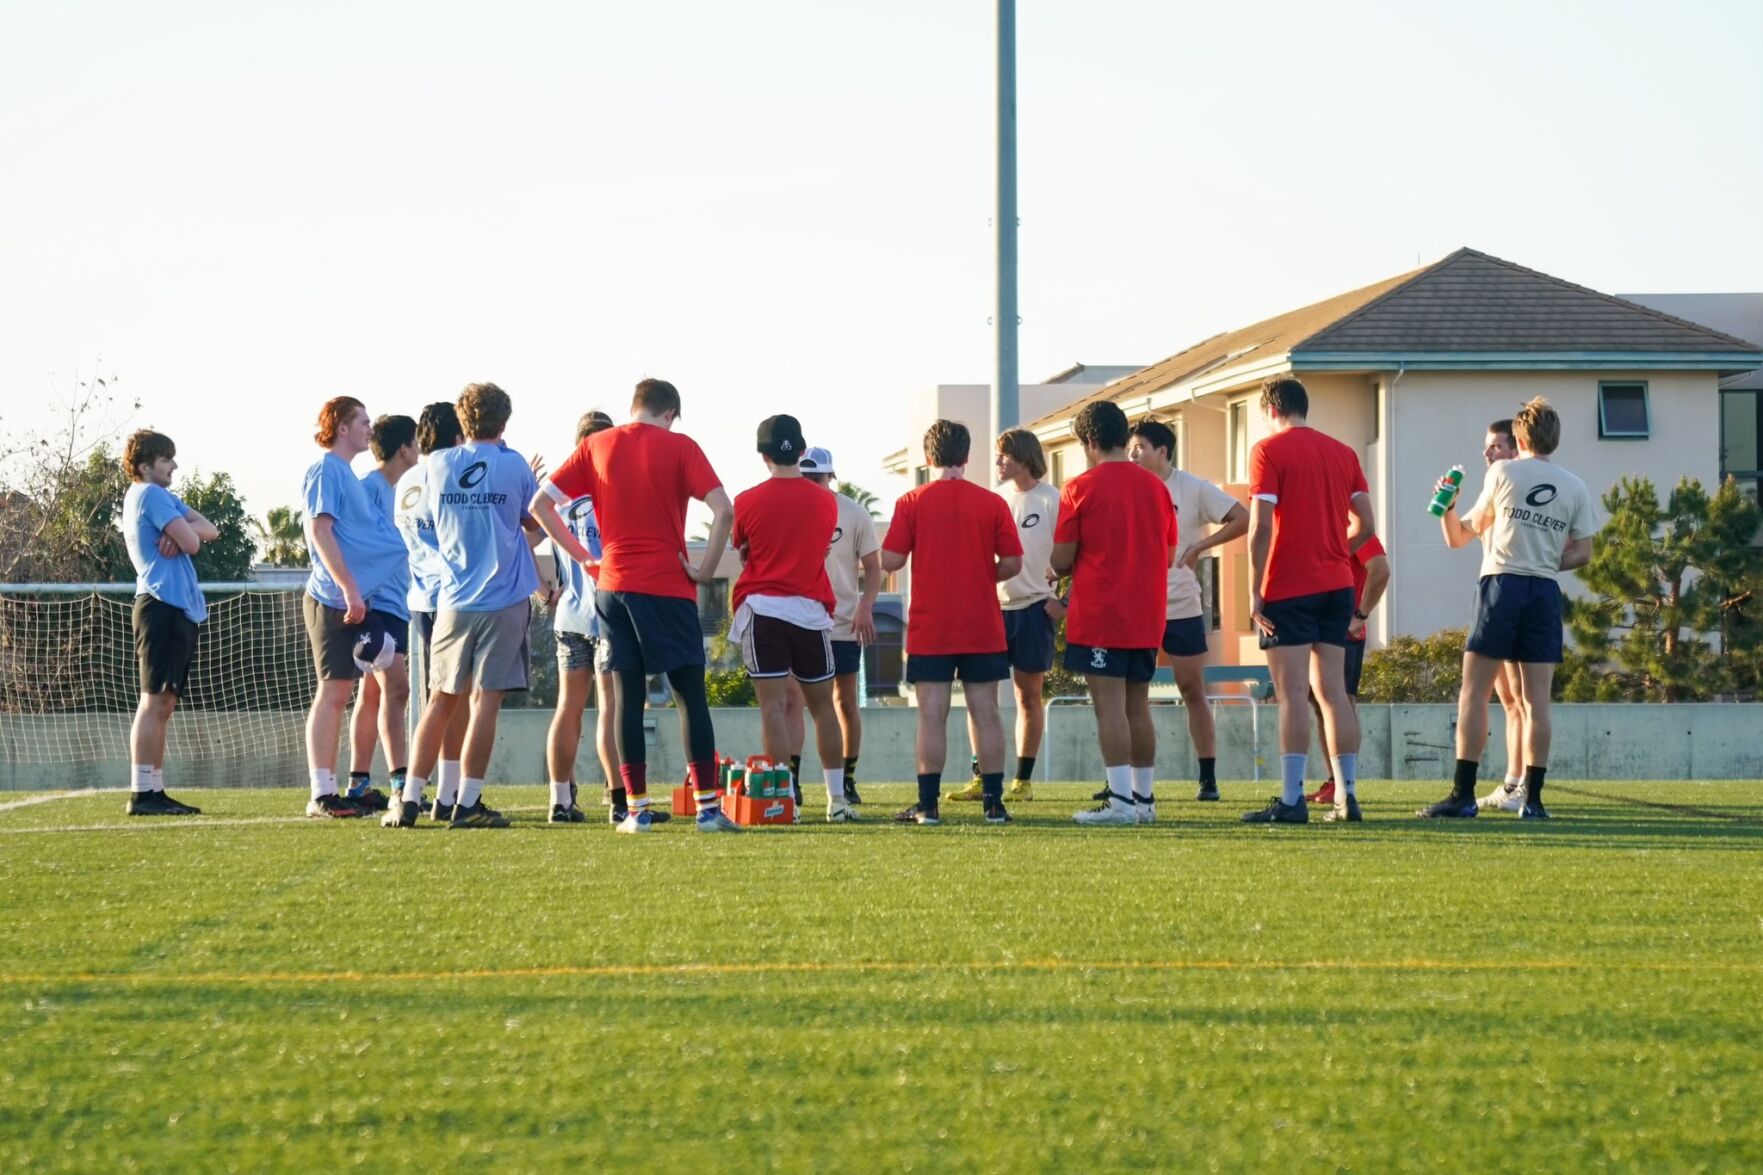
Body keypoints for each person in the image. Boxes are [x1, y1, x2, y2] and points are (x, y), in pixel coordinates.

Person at [531, 378, 738, 834]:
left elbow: (540, 505)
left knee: (626, 699)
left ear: (634, 407)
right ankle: (707, 810)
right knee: (689, 697)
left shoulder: (597, 445)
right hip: (668, 584)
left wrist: (584, 557)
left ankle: (636, 812)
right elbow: (725, 510)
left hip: (613, 586)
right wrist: (704, 569)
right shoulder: (681, 446)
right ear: (670, 414)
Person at [1424, 397, 1599, 820]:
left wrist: (1447, 506)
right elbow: (1584, 554)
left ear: (1519, 437)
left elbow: (1462, 535)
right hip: (1543, 592)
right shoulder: (1575, 484)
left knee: (1474, 692)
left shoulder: (1502, 472)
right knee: (1537, 703)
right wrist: (1541, 559)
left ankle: (1462, 795)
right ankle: (1533, 801)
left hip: (1501, 586)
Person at [388, 383, 541, 829]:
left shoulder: (435, 465)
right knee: (485, 702)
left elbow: (431, 523)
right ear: (505, 421)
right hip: (504, 599)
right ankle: (467, 801)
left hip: (453, 599)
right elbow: (533, 521)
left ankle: (410, 798)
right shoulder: (513, 466)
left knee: (439, 700)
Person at [1241, 376, 1376, 825]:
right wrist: (1335, 546)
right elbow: (1367, 525)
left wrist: (1253, 589)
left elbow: (1259, 527)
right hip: (1338, 584)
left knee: (1293, 695)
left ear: (1270, 410)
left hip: (1289, 585)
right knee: (1334, 694)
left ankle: (1291, 797)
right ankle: (1348, 794)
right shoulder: (1342, 452)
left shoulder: (1268, 450)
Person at [881, 420, 1023, 826]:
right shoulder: (992, 503)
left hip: (932, 626)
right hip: (982, 623)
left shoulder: (912, 501)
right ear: (967, 456)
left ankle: (928, 807)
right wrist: (983, 575)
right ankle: (994, 804)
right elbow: (1012, 563)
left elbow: (891, 560)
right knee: (987, 712)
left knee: (931, 712)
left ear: (928, 457)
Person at [1052, 402, 1177, 827]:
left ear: (1089, 441)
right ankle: (1143, 802)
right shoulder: (1158, 488)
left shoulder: (1079, 487)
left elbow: (1063, 557)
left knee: (1108, 706)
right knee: (1138, 705)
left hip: (1103, 612)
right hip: (1147, 610)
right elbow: (1168, 552)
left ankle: (1121, 803)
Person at [541, 410, 662, 826]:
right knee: (611, 709)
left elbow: (524, 538)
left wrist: (544, 589)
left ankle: (560, 799)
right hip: (606, 615)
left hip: (569, 617)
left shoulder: (558, 500)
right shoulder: (613, 493)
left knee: (567, 709)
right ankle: (619, 800)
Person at [730, 416, 852, 821]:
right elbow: (817, 548)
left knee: (774, 709)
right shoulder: (826, 500)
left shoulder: (746, 500)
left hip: (763, 608)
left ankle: (784, 801)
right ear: (801, 451)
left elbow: (744, 549)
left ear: (763, 454)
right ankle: (837, 800)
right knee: (823, 709)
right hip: (810, 611)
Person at [1125, 417, 1247, 802]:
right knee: (1132, 696)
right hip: (1135, 607)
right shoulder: (1126, 487)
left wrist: (1197, 549)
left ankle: (1208, 778)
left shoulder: (1192, 487)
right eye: (1130, 447)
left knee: (1193, 689)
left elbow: (1241, 518)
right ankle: (1127, 783)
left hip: (1181, 606)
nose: (1132, 454)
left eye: (1140, 447)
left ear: (1162, 451)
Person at [300, 396, 411, 819]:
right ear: (341, 427)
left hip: (352, 600)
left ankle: (345, 789)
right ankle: (321, 794)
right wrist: (349, 589)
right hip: (331, 598)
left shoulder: (345, 474)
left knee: (345, 691)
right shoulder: (326, 468)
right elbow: (320, 530)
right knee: (332, 693)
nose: (369, 428)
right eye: (362, 421)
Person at [947, 428, 1063, 804]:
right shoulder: (993, 500)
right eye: (996, 455)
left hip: (1034, 609)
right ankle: (981, 777)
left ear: (1024, 456)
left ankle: (1022, 782)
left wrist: (1063, 602)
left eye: (1003, 456)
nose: (997, 463)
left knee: (1028, 696)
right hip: (992, 610)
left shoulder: (1051, 500)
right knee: (980, 697)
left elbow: (1079, 554)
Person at [120, 429, 218, 817]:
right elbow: (197, 542)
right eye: (166, 460)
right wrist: (183, 535)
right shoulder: (151, 494)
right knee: (154, 699)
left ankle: (154, 788)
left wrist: (179, 534)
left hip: (171, 607)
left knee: (164, 701)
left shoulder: (160, 498)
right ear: (146, 465)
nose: (174, 465)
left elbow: (209, 529)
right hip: (161, 605)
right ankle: (142, 792)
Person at [782, 446, 880, 804]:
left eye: (818, 477)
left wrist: (866, 607)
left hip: (842, 623)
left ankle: (847, 779)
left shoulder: (854, 513)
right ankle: (791, 781)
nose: (811, 483)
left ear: (830, 477)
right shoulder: (790, 509)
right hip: (799, 618)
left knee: (845, 702)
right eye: (805, 476)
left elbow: (873, 566)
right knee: (793, 699)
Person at [393, 402, 473, 820]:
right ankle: (424, 794)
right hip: (453, 599)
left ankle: (446, 794)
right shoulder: (449, 476)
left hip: (423, 599)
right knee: (447, 701)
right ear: (458, 437)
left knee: (447, 699)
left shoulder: (407, 480)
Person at [345, 414, 418, 810]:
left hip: (398, 606)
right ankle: (402, 783)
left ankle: (358, 784)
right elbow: (351, 544)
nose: (421, 450)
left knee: (372, 693)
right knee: (397, 689)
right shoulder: (368, 489)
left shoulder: (403, 490)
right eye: (417, 443)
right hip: (376, 607)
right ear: (404, 448)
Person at [1303, 536, 1390, 820]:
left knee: (1340, 702)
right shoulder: (1329, 524)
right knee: (1320, 704)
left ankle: (1345, 786)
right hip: (1322, 628)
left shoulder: (1355, 525)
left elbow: (1380, 569)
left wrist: (1360, 615)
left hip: (1344, 631)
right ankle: (1334, 781)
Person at [1474, 419, 1531, 812]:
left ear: (1515, 450)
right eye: (1487, 446)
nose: (1488, 453)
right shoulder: (1494, 487)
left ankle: (1526, 783)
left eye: (1496, 446)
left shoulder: (1520, 487)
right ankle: (1511, 781)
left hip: (1516, 595)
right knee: (1507, 700)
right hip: (1490, 593)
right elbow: (1461, 534)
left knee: (1525, 700)